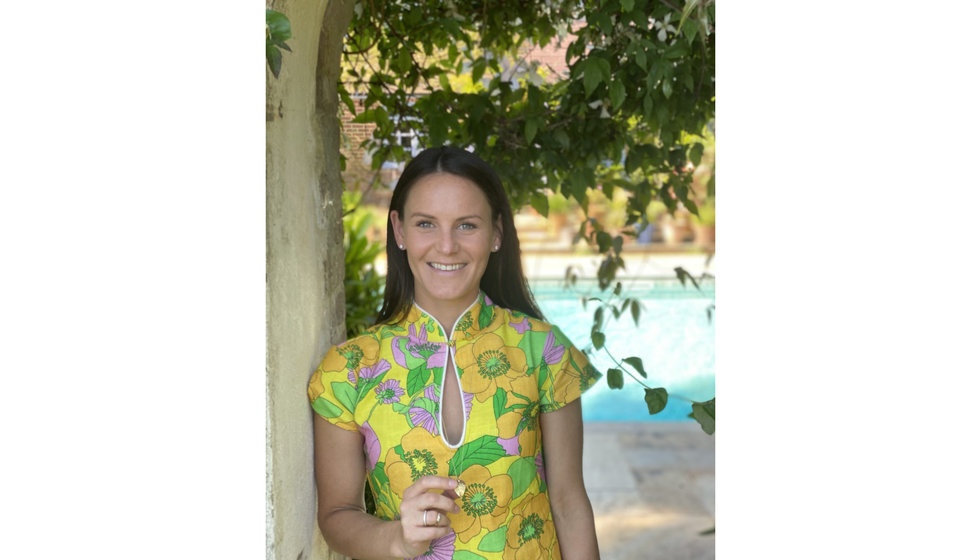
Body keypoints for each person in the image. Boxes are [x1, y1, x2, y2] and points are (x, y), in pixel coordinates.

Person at [308, 145, 602, 559]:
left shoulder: (543, 351)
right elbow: (337, 514)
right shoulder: (347, 370)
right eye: (426, 223)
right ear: (399, 230)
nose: (446, 246)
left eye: (466, 225)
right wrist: (397, 539)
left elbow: (570, 504)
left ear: (496, 234)